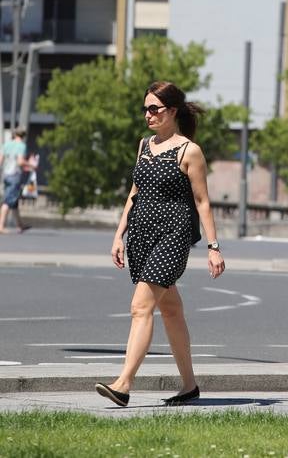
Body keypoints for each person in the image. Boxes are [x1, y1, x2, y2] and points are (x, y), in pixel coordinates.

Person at [95, 81, 225, 408]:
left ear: (173, 111)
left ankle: (123, 384)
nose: (148, 114)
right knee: (170, 310)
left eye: (155, 108)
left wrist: (213, 246)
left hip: (173, 235)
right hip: (141, 234)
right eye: (146, 108)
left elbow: (202, 202)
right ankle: (190, 385)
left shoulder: (188, 151)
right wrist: (118, 234)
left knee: (141, 307)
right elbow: (134, 194)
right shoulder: (144, 145)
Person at [0, 129, 32, 234]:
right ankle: (1, 226)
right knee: (8, 201)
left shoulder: (6, 144)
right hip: (14, 174)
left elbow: (1, 160)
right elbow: (20, 161)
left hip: (6, 174)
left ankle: (20, 225)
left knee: (14, 201)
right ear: (23, 136)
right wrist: (31, 164)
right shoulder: (21, 146)